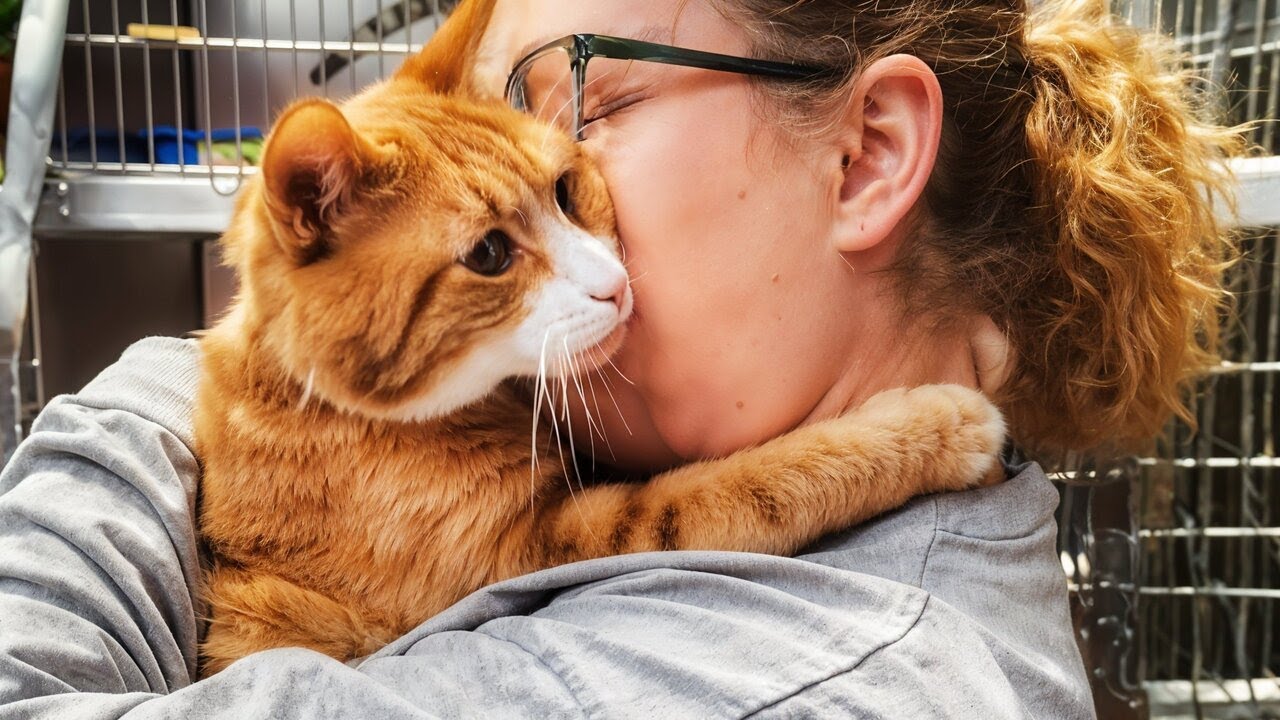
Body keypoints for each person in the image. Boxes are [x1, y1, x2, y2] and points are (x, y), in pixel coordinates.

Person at [0, 0, 1237, 716]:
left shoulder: (785, 684)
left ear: (862, 158)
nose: (589, 250)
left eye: (585, 105)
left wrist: (219, 381)